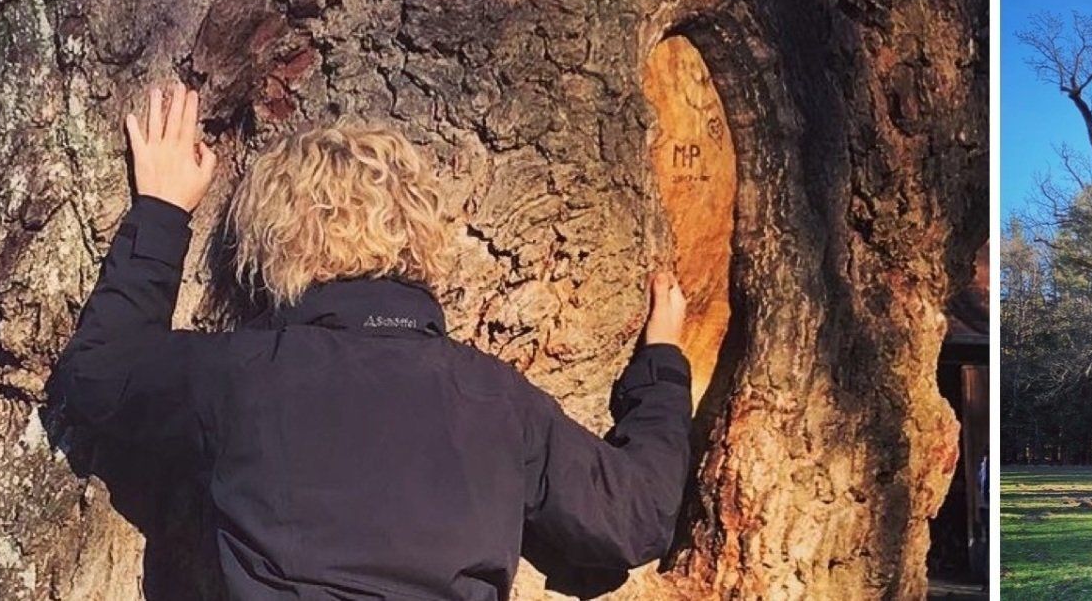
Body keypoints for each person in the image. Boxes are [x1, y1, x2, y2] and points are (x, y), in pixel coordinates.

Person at [51, 82, 694, 600]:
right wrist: (662, 368)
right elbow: (637, 515)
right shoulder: (497, 401)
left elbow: (99, 376)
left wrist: (162, 212)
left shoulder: (247, 375)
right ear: (421, 233)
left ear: (274, 247)